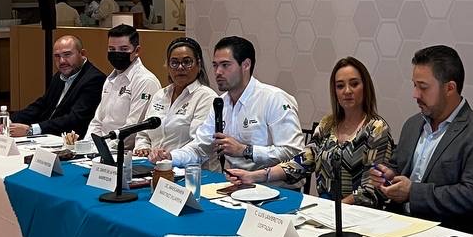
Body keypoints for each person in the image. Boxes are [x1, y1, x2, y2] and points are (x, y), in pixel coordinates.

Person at [367, 45, 473, 236]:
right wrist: (388, 175)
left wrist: (413, 193)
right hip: (398, 228)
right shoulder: (413, 124)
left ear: (450, 88)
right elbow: (398, 165)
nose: (415, 94)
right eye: (414, 85)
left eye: (423, 87)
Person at [228, 56, 392, 196]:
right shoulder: (327, 125)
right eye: (340, 86)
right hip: (324, 210)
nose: (347, 91)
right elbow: (301, 163)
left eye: (354, 84)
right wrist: (254, 176)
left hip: (359, 214)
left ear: (365, 87)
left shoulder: (376, 128)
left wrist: (332, 210)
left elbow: (371, 189)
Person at [172, 35, 303, 173]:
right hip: (234, 181)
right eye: (215, 65)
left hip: (273, 183)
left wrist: (245, 150)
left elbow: (294, 153)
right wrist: (170, 157)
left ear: (246, 65)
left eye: (225, 65)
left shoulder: (274, 99)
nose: (217, 72)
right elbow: (199, 148)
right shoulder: (220, 103)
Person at [143, 37, 220, 170]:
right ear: (167, 66)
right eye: (174, 63)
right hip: (154, 167)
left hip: (191, 171)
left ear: (199, 64)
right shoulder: (160, 95)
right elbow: (143, 133)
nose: (180, 67)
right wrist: (143, 148)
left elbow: (200, 146)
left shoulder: (206, 97)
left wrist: (169, 157)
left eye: (187, 62)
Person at [9, 34, 105, 138]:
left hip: (70, 139)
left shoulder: (95, 79)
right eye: (57, 56)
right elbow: (42, 105)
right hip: (47, 134)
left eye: (67, 54)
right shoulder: (60, 75)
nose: (62, 61)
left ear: (82, 54)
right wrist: (9, 120)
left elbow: (75, 118)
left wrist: (32, 130)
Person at [86, 24, 160, 141]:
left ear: (137, 51)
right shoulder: (110, 79)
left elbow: (132, 129)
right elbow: (98, 122)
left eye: (124, 49)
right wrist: (88, 145)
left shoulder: (145, 81)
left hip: (123, 149)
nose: (117, 53)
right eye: (112, 49)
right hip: (101, 147)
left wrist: (104, 148)